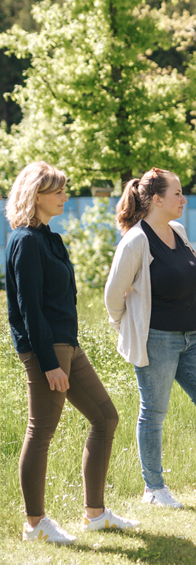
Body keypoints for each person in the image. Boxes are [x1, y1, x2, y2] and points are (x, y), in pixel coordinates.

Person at [6, 161, 138, 545]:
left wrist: (68, 349)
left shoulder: (50, 237)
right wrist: (48, 363)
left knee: (105, 417)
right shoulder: (26, 241)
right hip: (46, 348)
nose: (65, 196)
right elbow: (28, 308)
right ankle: (35, 524)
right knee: (41, 431)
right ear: (37, 194)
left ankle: (95, 514)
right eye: (58, 190)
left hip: (68, 343)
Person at [104, 167, 196, 507]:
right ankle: (153, 489)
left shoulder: (178, 230)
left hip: (190, 338)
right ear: (157, 200)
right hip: (156, 339)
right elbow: (114, 297)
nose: (183, 199)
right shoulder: (136, 240)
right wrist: (129, 329)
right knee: (154, 412)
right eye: (177, 193)